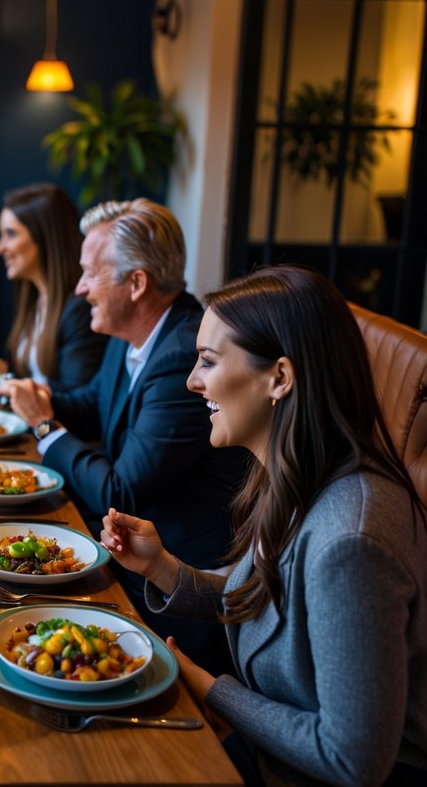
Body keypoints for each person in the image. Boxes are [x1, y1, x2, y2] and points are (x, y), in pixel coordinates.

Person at [101, 266, 427, 787]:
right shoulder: (298, 473)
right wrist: (161, 568)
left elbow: (352, 760)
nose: (192, 381)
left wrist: (204, 686)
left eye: (208, 361)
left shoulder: (352, 541)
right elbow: (271, 603)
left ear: (279, 377)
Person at [0, 198, 247, 674]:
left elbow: (121, 490)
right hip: (127, 554)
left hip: (171, 591)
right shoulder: (137, 333)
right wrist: (40, 396)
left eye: (92, 273)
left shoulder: (181, 354)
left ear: (136, 284)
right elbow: (94, 404)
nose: (80, 287)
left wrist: (45, 426)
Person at [0, 182, 106, 389]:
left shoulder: (80, 310)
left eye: (11, 234)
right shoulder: (35, 298)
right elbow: (25, 382)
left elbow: (72, 401)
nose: (0, 248)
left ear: (45, 238)